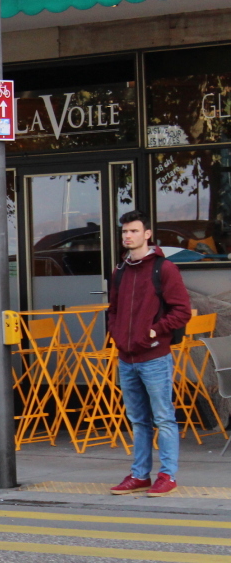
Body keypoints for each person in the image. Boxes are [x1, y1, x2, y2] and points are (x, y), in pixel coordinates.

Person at [107, 210, 191, 497]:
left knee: (163, 417)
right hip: (126, 358)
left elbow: (181, 311)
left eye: (133, 231)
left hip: (154, 357)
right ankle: (140, 474)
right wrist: (117, 335)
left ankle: (167, 475)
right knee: (138, 420)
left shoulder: (163, 269)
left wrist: (155, 331)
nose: (127, 236)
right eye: (124, 232)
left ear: (147, 234)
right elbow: (113, 310)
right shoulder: (119, 271)